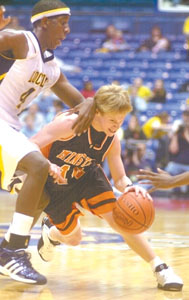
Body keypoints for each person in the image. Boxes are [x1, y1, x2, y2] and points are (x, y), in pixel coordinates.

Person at [28, 84, 183, 291]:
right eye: (112, 120)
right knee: (74, 239)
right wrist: (48, 164)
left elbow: (119, 177)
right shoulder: (69, 124)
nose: (116, 126)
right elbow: (31, 144)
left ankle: (160, 267)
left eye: (121, 121)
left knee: (122, 220)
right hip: (57, 186)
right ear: (98, 112)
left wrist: (129, 187)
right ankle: (51, 233)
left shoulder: (112, 139)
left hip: (87, 178)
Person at [0, 0, 95, 285]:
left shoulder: (52, 68)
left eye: (68, 23)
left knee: (42, 196)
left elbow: (79, 102)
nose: (67, 30)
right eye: (61, 22)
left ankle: (7, 248)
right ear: (43, 22)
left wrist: (92, 102)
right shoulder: (21, 40)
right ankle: (14, 251)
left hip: (9, 126)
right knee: (39, 166)